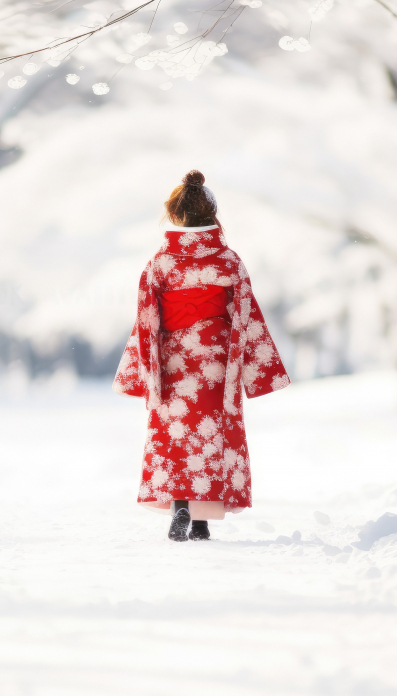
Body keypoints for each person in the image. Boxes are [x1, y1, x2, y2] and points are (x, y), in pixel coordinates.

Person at [113, 170, 291, 541]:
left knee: (176, 436)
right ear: (212, 215)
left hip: (173, 360)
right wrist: (257, 370)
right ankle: (201, 522)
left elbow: (146, 321)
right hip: (216, 362)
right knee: (211, 436)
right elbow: (246, 314)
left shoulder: (160, 264)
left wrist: (142, 372)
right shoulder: (228, 261)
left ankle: (179, 507)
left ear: (175, 216)